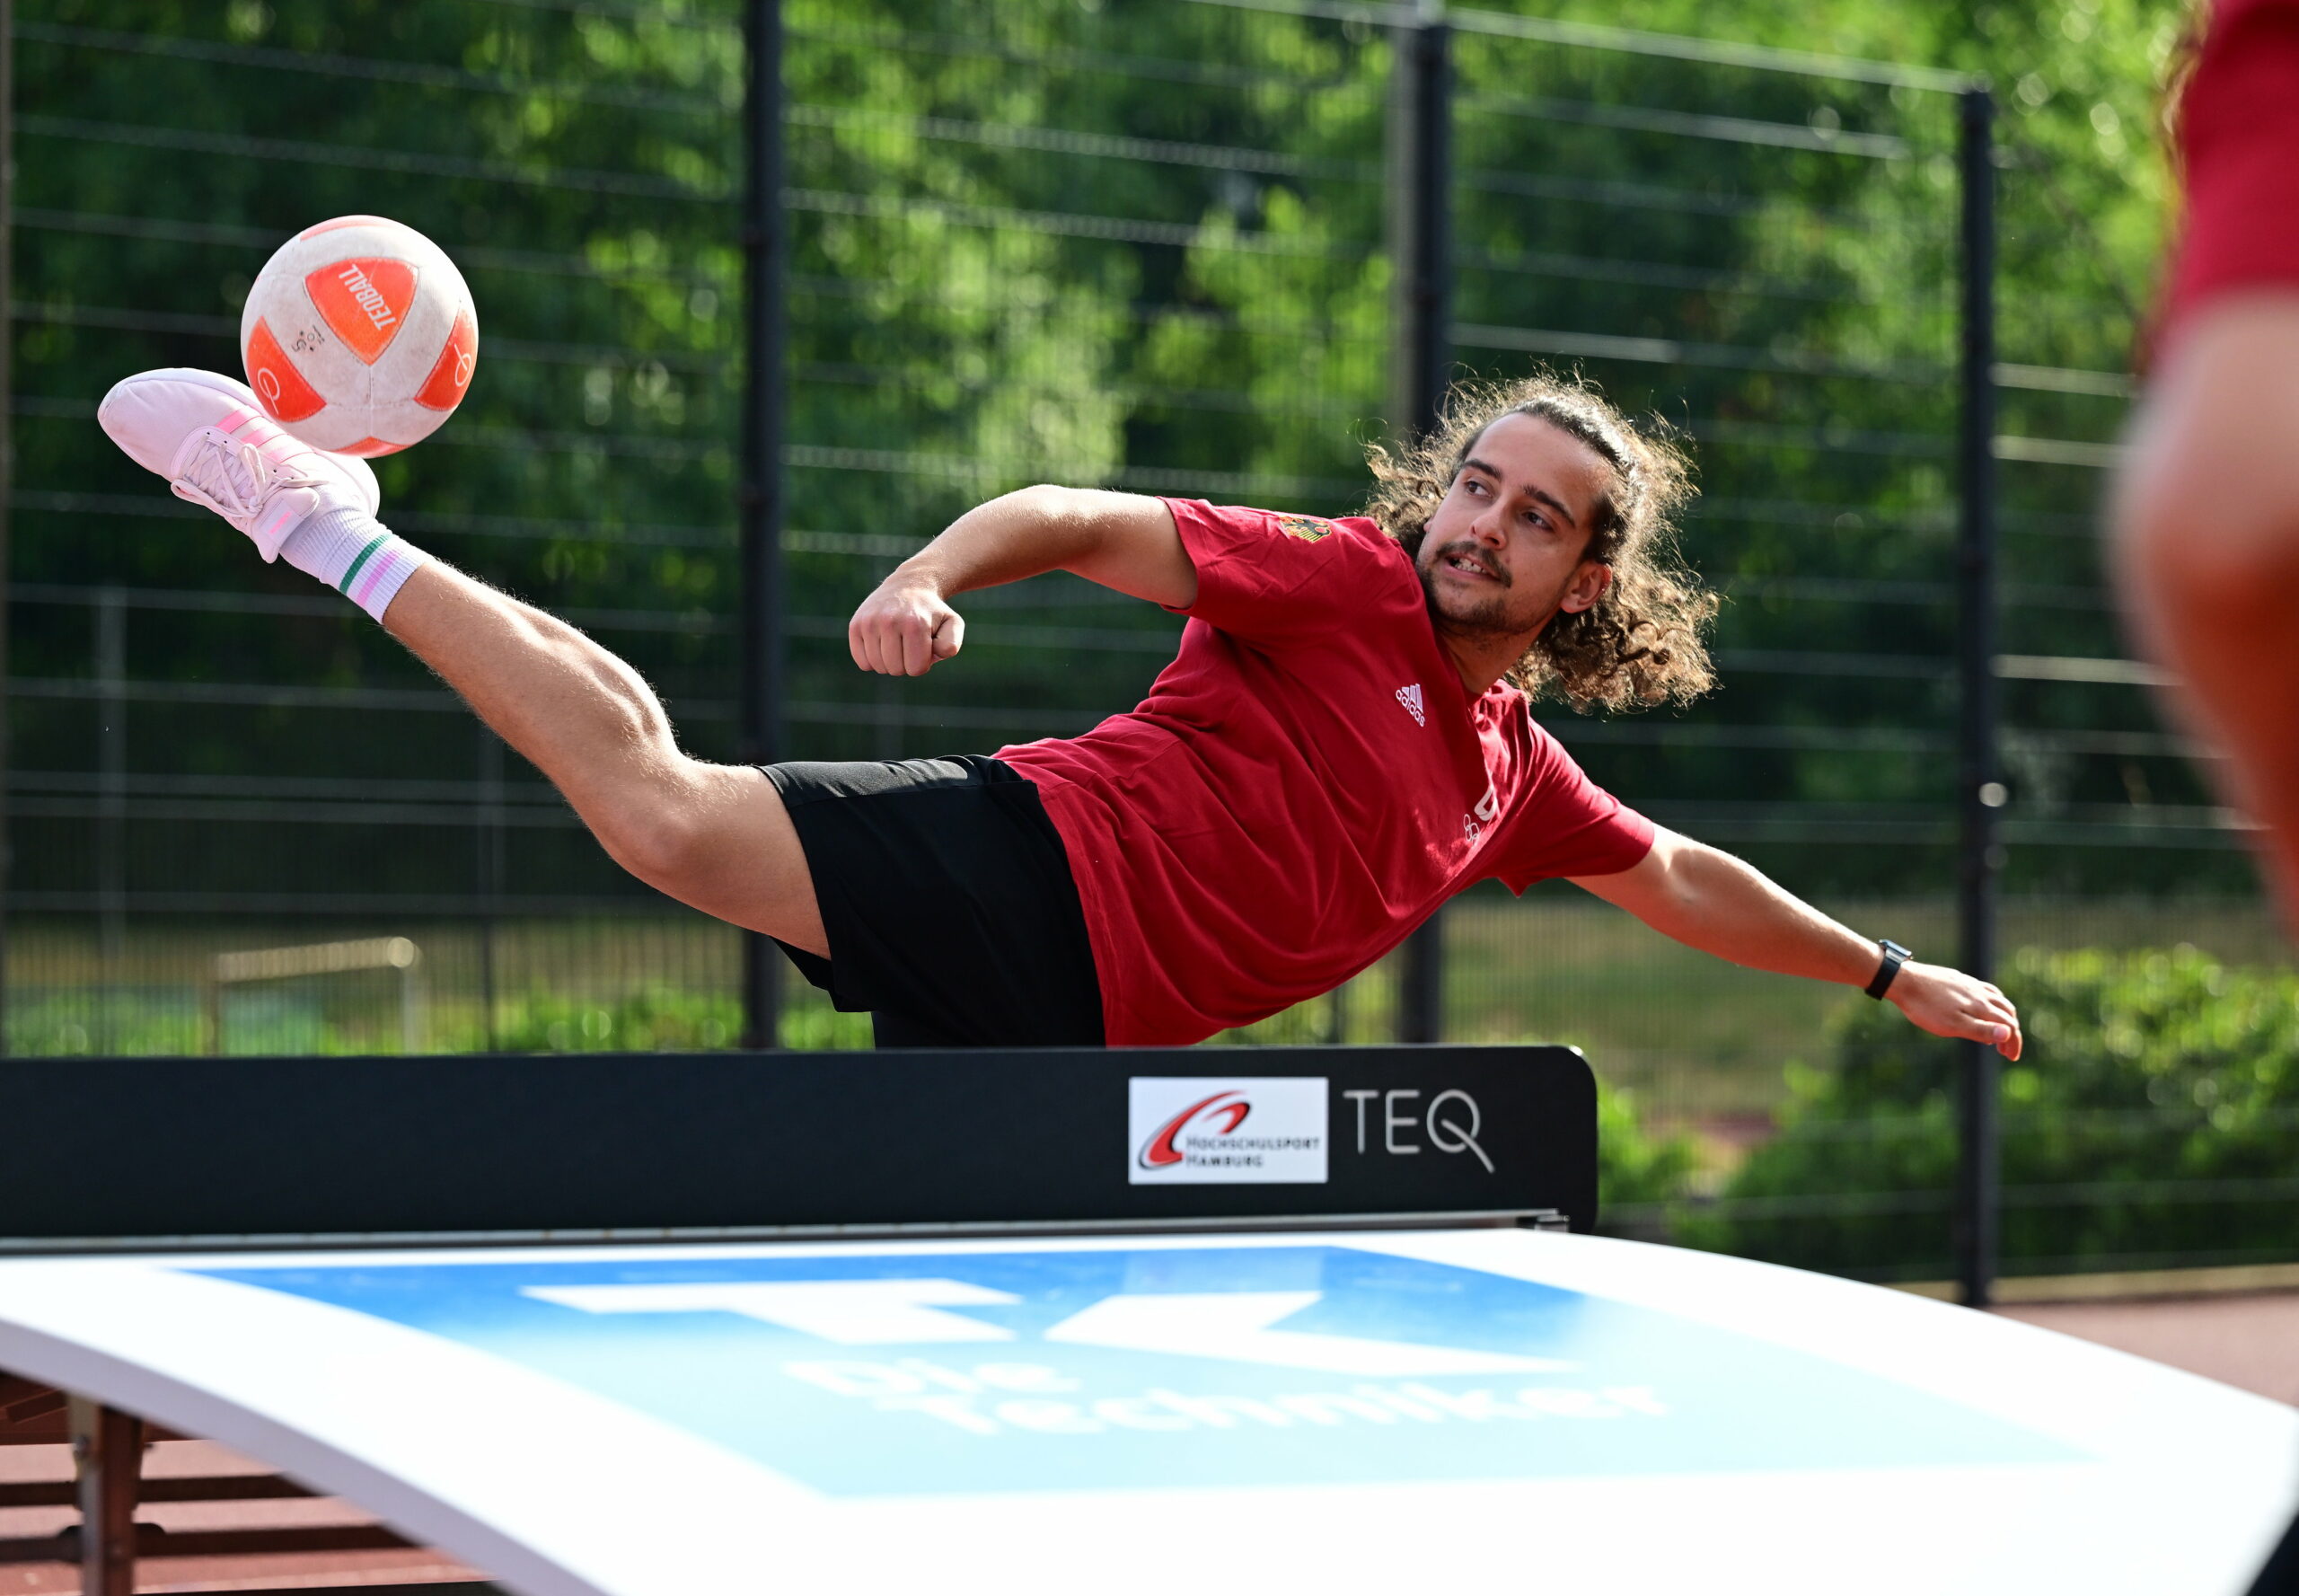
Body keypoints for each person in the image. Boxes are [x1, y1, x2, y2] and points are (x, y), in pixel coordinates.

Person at [98, 365, 2021, 1057]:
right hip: (1027, 868)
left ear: (1581, 582)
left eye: (1534, 518)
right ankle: (317, 524)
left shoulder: (1506, 777)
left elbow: (1676, 870)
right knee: (667, 816)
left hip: (1075, 1043)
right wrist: (934, 570)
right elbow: (1085, 517)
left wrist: (1880, 973)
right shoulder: (1343, 578)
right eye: (1478, 485)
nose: (1484, 523)